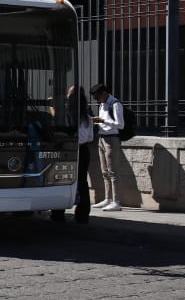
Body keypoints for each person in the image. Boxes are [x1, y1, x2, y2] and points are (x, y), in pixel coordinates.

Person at [51, 85, 93, 224]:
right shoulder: (87, 117)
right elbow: (90, 137)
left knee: (61, 178)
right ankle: (83, 214)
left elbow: (60, 128)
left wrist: (53, 109)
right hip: (84, 149)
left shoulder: (67, 115)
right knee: (82, 182)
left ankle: (58, 213)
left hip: (69, 149)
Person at [90, 83, 132, 211]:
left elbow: (120, 125)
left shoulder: (115, 104)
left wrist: (102, 121)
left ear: (103, 93)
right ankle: (108, 198)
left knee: (113, 171)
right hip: (102, 138)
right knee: (104, 172)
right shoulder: (103, 104)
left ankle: (116, 201)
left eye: (97, 97)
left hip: (112, 139)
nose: (97, 101)